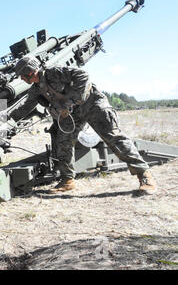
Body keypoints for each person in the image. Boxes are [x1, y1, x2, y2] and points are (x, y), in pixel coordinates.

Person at [11, 55, 157, 195]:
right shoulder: (36, 89)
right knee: (63, 142)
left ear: (29, 71)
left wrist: (69, 103)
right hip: (72, 113)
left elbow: (83, 76)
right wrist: (7, 119)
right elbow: (25, 107)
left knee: (113, 137)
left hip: (92, 103)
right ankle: (67, 180)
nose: (21, 79)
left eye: (22, 75)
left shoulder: (53, 73)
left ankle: (144, 174)